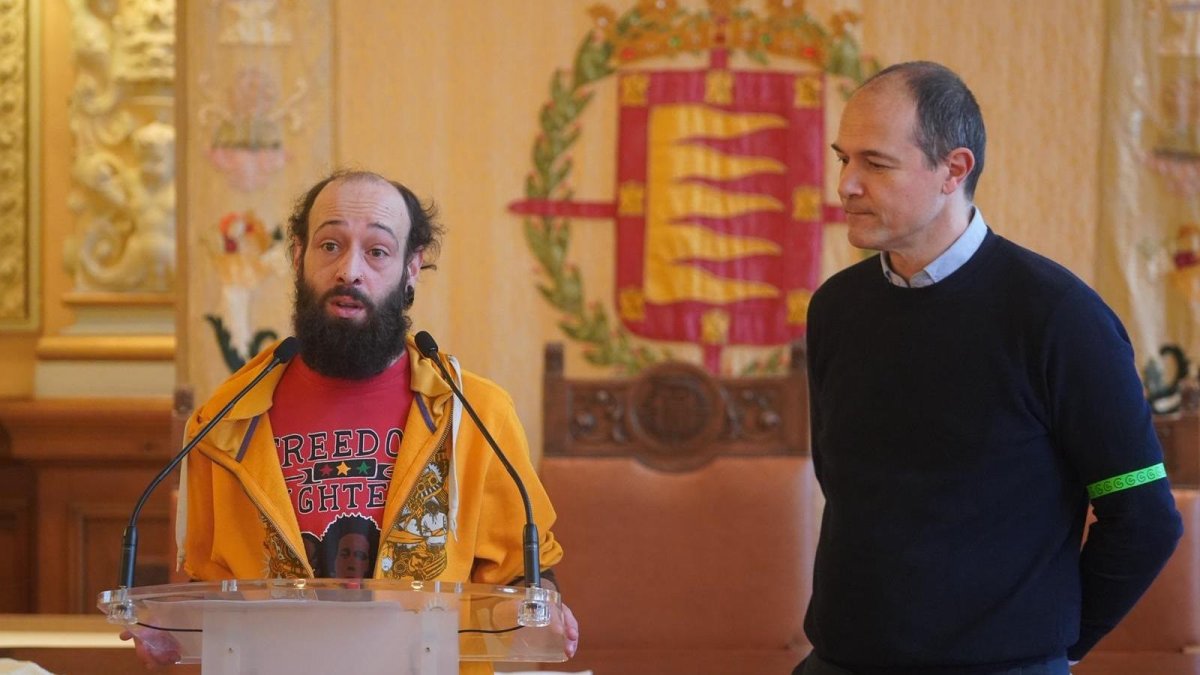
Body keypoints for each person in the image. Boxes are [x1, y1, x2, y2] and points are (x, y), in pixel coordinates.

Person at [797, 61, 1184, 675]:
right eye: (844, 159)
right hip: (838, 661)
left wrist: (1049, 649)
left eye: (876, 163)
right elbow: (844, 486)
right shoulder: (836, 308)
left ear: (954, 169)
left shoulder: (1060, 318)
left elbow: (1143, 517)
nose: (845, 184)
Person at [123, 169, 579, 670]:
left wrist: (547, 608)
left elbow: (523, 575)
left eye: (378, 251)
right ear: (298, 257)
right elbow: (206, 586)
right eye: (330, 245)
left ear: (411, 267)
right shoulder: (225, 421)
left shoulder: (475, 414)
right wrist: (174, 629)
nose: (349, 270)